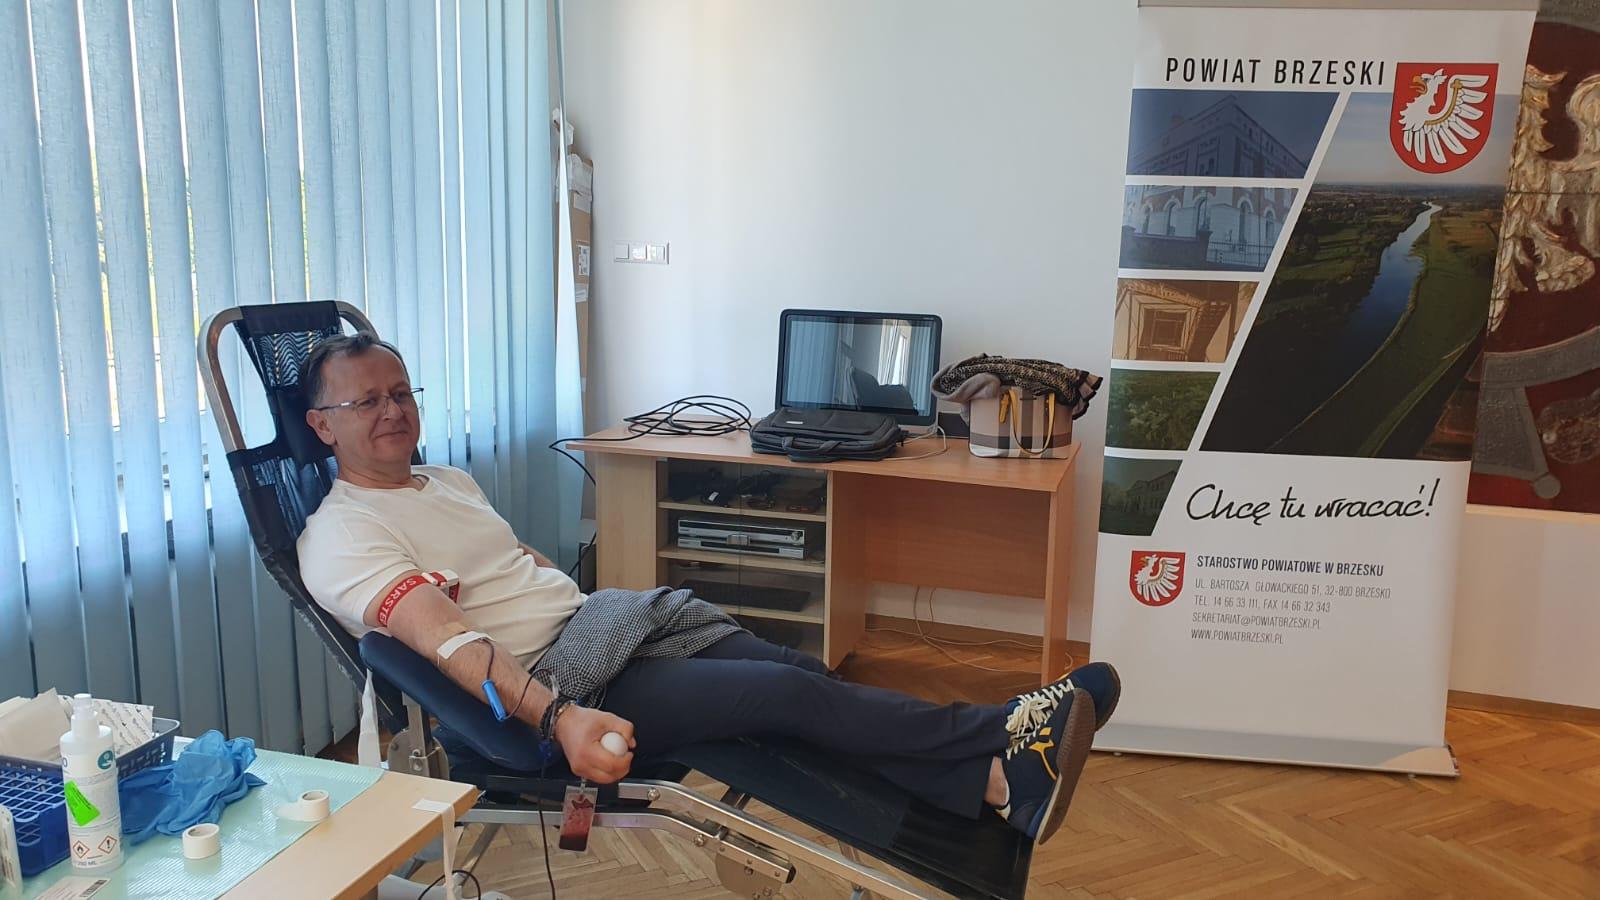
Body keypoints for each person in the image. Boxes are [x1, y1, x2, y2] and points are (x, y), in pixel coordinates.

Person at [295, 332, 1120, 844]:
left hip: (599, 628)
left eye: (401, 393)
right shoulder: (342, 535)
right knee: (786, 699)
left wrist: (566, 597)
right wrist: (559, 716)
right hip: (557, 689)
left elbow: (521, 564)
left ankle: (994, 784)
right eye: (366, 401)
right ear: (322, 425)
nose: (392, 411)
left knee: (799, 675)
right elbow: (449, 638)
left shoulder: (445, 481)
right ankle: (1005, 729)